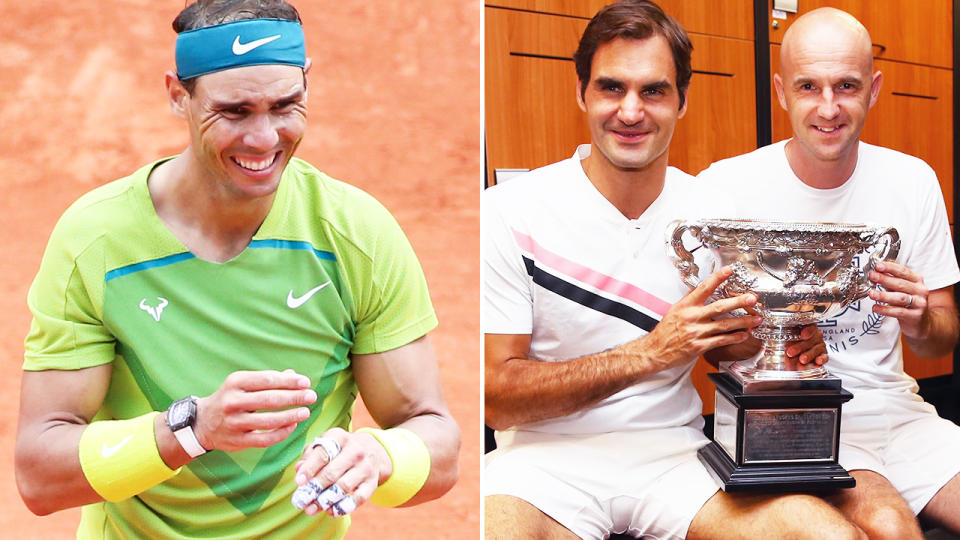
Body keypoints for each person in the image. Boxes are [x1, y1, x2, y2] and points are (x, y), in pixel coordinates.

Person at [14, 1, 460, 538]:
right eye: (234, 112)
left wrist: (379, 455)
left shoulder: (356, 235)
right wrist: (192, 430)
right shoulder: (95, 241)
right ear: (178, 96)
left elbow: (436, 442)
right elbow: (39, 475)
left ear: (308, 85)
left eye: (285, 105)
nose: (265, 138)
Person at [482, 1, 868, 539]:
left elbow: (726, 347)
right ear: (582, 94)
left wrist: (778, 346)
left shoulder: (717, 215)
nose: (631, 111)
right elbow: (495, 398)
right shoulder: (508, 210)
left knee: (830, 536)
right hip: (541, 464)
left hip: (675, 458)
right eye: (612, 88)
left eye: (654, 90)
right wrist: (650, 352)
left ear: (682, 101)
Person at [697, 7, 960, 539]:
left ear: (874, 88)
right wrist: (765, 338)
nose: (828, 107)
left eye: (846, 86)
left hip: (901, 413)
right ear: (780, 91)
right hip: (795, 418)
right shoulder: (728, 188)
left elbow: (942, 339)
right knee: (891, 528)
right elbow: (713, 349)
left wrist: (920, 320)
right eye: (808, 86)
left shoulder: (913, 180)